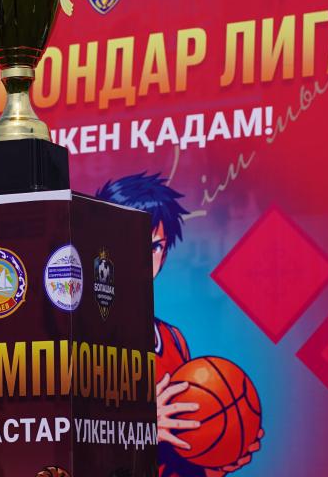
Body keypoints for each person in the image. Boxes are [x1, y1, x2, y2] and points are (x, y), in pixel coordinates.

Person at [97, 173, 262, 475]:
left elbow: (174, 456)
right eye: (128, 242)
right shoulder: (80, 338)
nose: (142, 258)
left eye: (154, 247)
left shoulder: (173, 339)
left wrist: (216, 459)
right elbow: (62, 443)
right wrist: (140, 429)